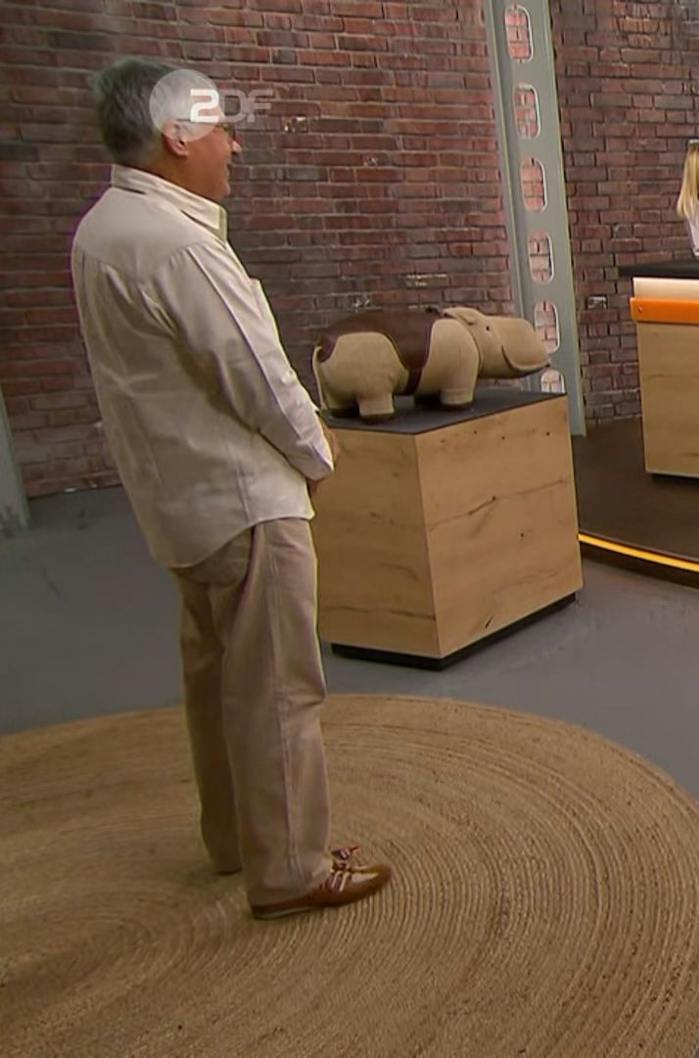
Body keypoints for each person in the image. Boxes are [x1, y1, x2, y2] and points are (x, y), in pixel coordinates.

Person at [70, 58, 391, 919]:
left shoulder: (102, 229)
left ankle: (233, 839)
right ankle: (289, 868)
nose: (233, 145)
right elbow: (253, 371)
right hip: (243, 500)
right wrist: (318, 452)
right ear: (176, 136)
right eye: (218, 127)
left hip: (178, 502)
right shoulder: (179, 245)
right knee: (278, 687)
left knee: (215, 681)